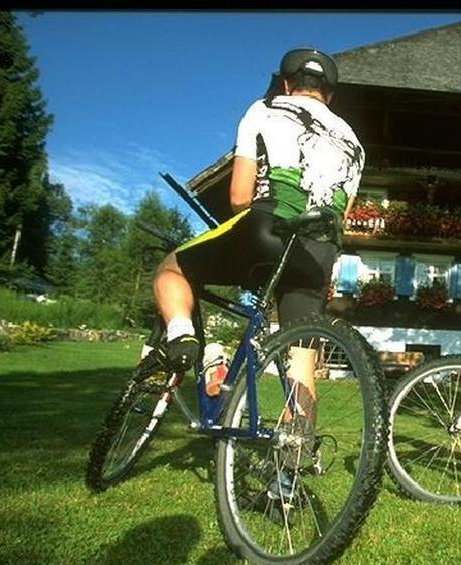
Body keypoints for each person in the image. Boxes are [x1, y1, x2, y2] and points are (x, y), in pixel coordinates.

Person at [150, 47, 365, 422]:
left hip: (267, 232)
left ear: (287, 83)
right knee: (302, 358)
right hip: (317, 256)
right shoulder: (354, 143)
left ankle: (183, 336)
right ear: (329, 94)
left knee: (172, 270)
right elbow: (340, 216)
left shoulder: (265, 109)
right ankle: (294, 459)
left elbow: (238, 197)